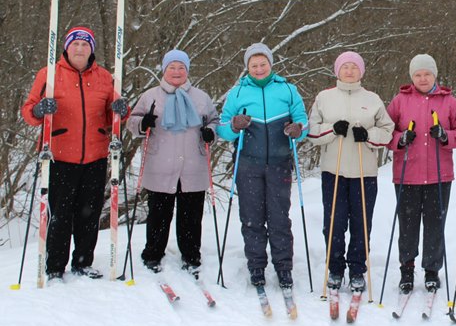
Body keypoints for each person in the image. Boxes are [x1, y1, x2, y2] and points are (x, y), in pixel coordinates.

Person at [22, 26, 129, 280]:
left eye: (85, 45)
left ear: (91, 49)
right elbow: (28, 111)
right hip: (59, 157)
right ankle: (55, 267)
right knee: (60, 214)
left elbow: (116, 114)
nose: (80, 49)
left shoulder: (103, 77)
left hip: (95, 156)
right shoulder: (49, 74)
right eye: (75, 44)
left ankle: (82, 262)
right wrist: (39, 110)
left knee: (89, 213)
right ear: (66, 48)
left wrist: (121, 109)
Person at [216, 43, 307, 289]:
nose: (258, 69)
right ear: (247, 67)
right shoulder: (237, 93)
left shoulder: (287, 90)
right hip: (248, 164)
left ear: (270, 64)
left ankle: (283, 267)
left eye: (262, 64)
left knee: (279, 217)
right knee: (252, 217)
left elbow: (303, 122)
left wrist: (297, 129)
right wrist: (234, 125)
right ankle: (256, 266)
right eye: (254, 65)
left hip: (279, 162)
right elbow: (222, 130)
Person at [307, 52, 394, 291]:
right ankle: (335, 269)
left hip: (364, 172)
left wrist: (369, 136)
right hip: (333, 171)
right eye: (344, 67)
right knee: (334, 223)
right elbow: (312, 131)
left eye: (354, 67)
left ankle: (357, 269)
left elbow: (387, 131)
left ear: (361, 71)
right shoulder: (324, 98)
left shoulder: (372, 98)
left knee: (361, 223)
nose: (349, 71)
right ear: (337, 71)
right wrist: (332, 129)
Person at [126, 50, 218, 276]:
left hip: (192, 166)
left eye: (181, 68)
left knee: (191, 216)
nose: (176, 72)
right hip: (161, 166)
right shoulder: (151, 96)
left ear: (187, 71)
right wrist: (142, 123)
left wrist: (211, 133)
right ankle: (153, 253)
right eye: (172, 68)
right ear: (164, 70)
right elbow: (132, 122)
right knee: (158, 215)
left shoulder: (201, 97)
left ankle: (191, 255)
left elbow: (215, 120)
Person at [386, 54, 456, 292]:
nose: (423, 79)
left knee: (435, 225)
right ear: (412, 77)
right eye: (418, 75)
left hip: (439, 175)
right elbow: (384, 132)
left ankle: (432, 271)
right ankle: (407, 269)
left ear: (435, 75)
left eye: (427, 74)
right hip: (406, 174)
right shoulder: (400, 101)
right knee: (408, 225)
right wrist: (400, 139)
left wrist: (445, 136)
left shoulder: (449, 101)